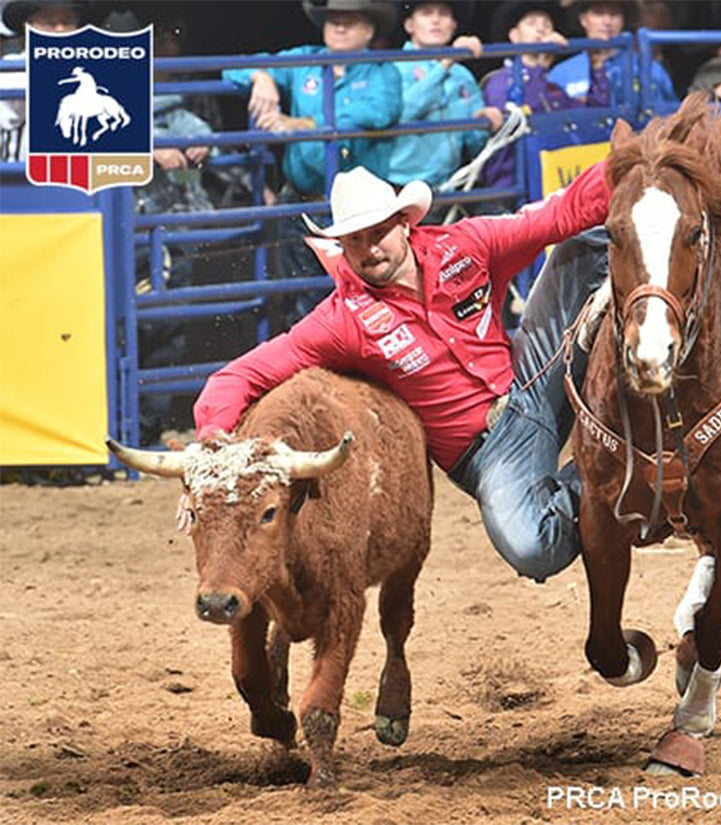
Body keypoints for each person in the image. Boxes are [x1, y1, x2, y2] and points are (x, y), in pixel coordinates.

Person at [191, 161, 611, 583]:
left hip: (533, 380)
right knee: (534, 549)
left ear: (404, 225)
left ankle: (666, 355)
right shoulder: (343, 321)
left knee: (591, 235)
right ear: (343, 246)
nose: (370, 248)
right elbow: (236, 378)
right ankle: (615, 470)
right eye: (356, 240)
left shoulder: (464, 245)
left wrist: (641, 162)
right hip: (488, 453)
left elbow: (559, 212)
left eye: (378, 233)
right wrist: (212, 450)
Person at [222, 0, 401, 327]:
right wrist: (260, 76)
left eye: (350, 20)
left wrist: (304, 124)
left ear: (370, 29)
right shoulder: (304, 60)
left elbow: (379, 111)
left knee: (369, 294)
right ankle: (316, 367)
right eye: (334, 20)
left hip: (363, 211)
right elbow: (233, 68)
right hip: (305, 199)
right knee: (302, 296)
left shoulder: (381, 69)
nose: (340, 26)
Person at [387, 1, 503, 195]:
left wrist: (486, 124)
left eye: (443, 14)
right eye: (426, 13)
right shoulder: (393, 68)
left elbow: (475, 146)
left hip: (450, 186)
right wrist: (445, 64)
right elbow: (404, 111)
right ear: (409, 25)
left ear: (453, 25)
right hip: (399, 187)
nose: (436, 20)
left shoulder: (462, 75)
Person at [480, 0, 576, 191]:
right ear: (514, 35)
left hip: (551, 183)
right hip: (508, 189)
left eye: (547, 25)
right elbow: (522, 118)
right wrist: (540, 67)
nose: (541, 30)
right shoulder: (498, 81)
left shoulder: (555, 87)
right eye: (532, 23)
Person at [548, 0, 679, 108]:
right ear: (583, 19)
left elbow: (671, 116)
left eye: (614, 14)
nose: (607, 22)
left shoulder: (650, 68)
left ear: (623, 20)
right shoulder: (561, 73)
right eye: (598, 14)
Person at [0, 0, 84, 162]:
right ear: (28, 26)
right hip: (21, 177)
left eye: (67, 22)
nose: (60, 29)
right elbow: (9, 117)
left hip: (84, 174)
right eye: (49, 23)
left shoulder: (95, 66)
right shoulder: (12, 66)